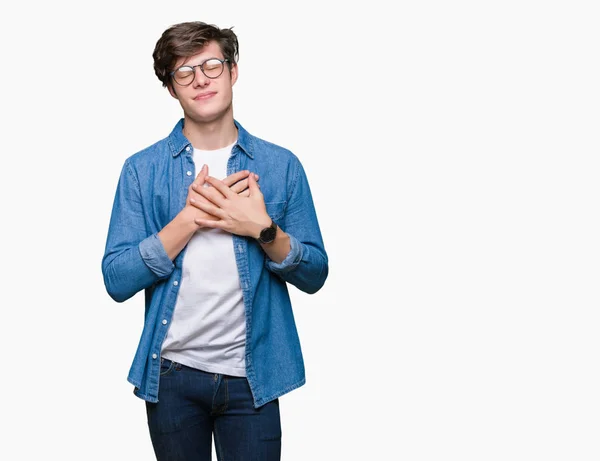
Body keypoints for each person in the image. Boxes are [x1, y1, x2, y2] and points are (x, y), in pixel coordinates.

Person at [101, 21, 328, 460]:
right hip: (171, 377)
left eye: (211, 65)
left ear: (233, 71)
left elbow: (316, 273)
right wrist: (187, 221)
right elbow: (115, 279)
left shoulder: (281, 166)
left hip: (254, 375)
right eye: (184, 72)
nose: (201, 78)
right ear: (171, 88)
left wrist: (262, 230)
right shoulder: (141, 170)